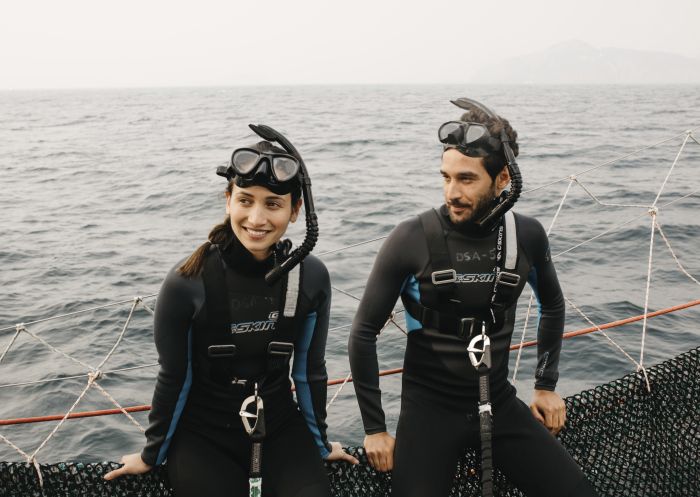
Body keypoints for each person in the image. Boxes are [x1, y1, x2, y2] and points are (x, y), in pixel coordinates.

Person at [348, 99, 599, 497]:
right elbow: (362, 333)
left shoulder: (527, 236)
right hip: (428, 414)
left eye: (466, 179)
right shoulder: (411, 239)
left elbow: (552, 304)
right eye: (446, 177)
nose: (452, 192)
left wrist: (546, 385)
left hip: (498, 402)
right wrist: (375, 429)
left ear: (502, 179)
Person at [105, 125, 358, 497]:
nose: (256, 218)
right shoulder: (186, 282)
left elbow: (309, 372)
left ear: (295, 210)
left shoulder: (311, 277)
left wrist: (320, 445)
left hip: (281, 428)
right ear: (228, 200)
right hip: (204, 437)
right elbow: (175, 378)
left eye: (273, 203)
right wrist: (151, 453)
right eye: (245, 200)